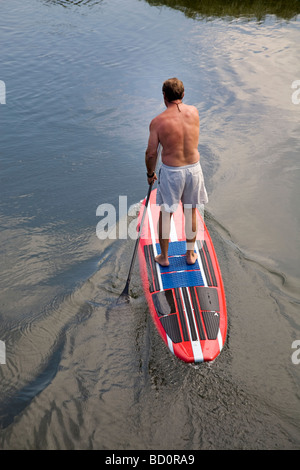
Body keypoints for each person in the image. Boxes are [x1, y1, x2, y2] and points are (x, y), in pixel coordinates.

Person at [145, 78, 208, 267]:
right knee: (191, 211)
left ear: (164, 96)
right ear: (183, 94)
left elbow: (151, 153)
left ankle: (164, 258)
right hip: (194, 169)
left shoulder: (158, 122)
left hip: (172, 172)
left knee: (166, 214)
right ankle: (190, 254)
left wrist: (150, 174)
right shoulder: (195, 112)